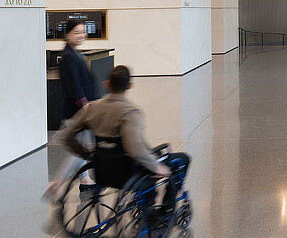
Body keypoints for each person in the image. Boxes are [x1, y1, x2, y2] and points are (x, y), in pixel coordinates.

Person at [56, 65, 191, 211]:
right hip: (126, 172)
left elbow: (68, 136)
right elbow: (135, 150)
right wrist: (156, 167)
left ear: (107, 84)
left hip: (102, 169)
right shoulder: (130, 112)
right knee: (181, 159)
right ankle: (165, 209)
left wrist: (88, 155)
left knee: (151, 157)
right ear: (129, 85)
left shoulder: (93, 108)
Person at [44, 20, 101, 200]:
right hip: (78, 111)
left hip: (82, 109)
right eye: (77, 32)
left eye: (83, 32)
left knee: (82, 147)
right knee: (80, 149)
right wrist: (85, 105)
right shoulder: (68, 56)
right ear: (67, 34)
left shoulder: (74, 53)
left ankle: (85, 181)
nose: (81, 35)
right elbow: (74, 85)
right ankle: (59, 182)